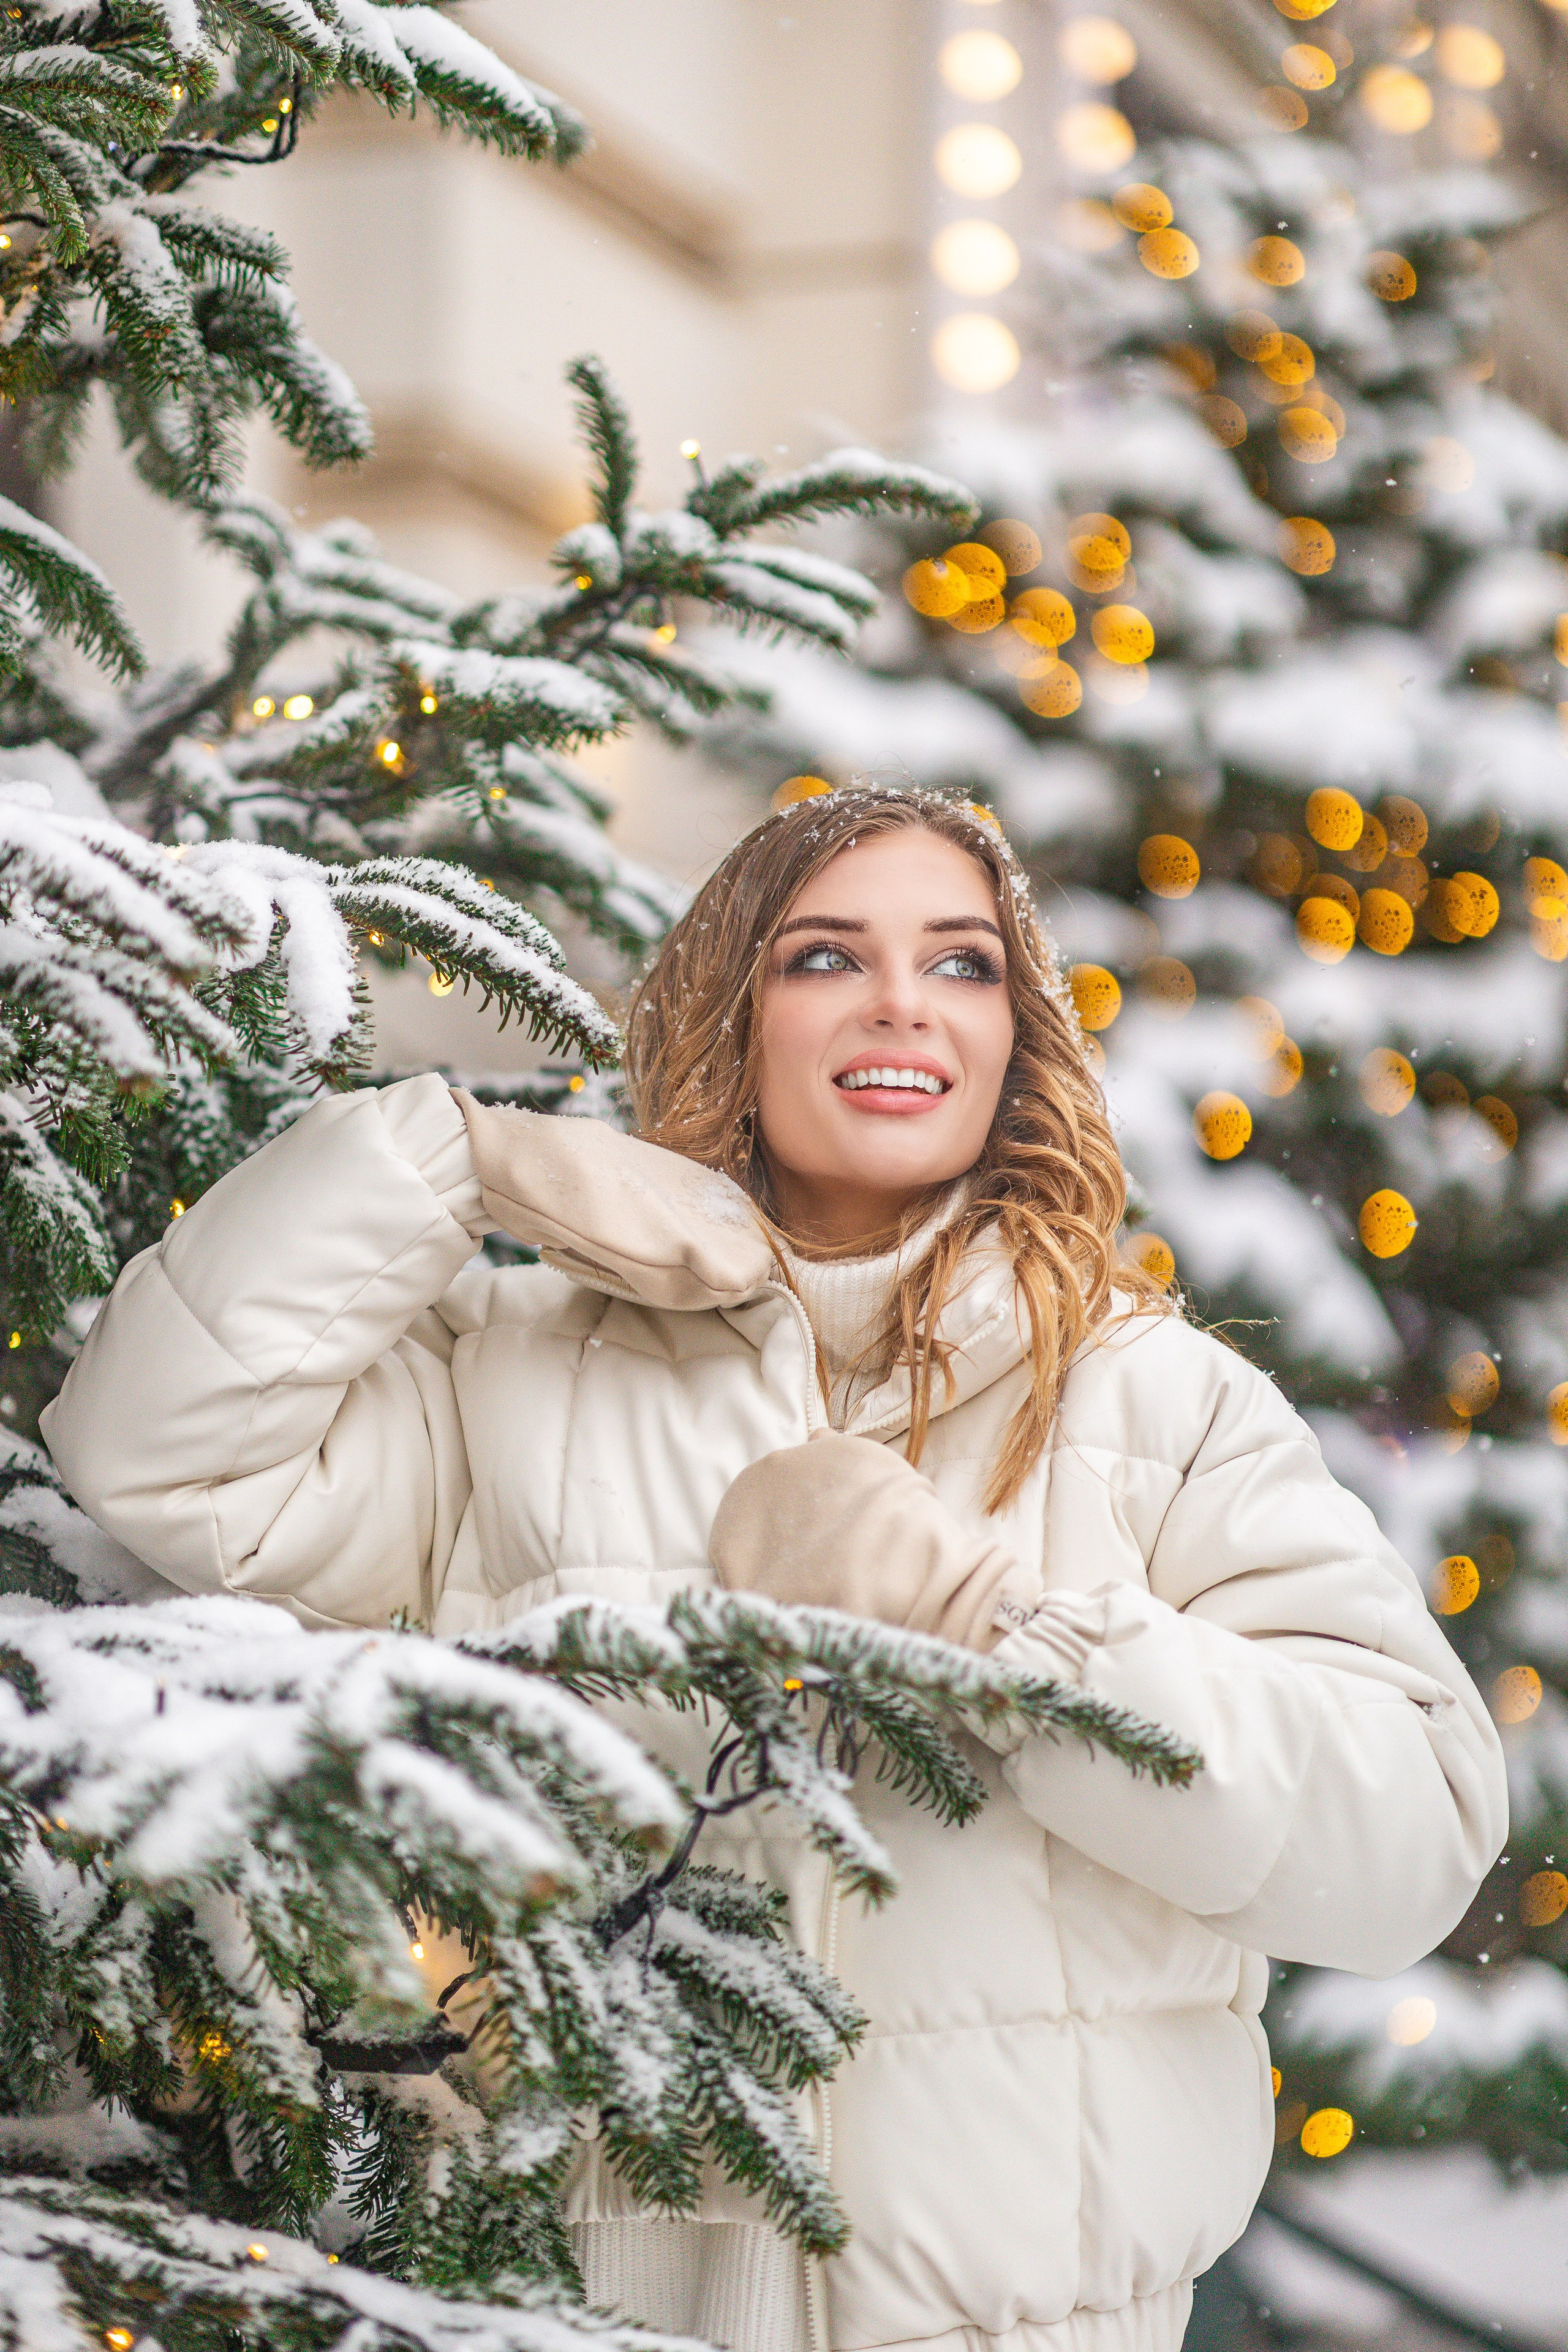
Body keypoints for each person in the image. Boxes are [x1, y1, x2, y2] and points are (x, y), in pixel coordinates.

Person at [43, 785, 1506, 2352]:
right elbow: (152, 1454)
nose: (898, 1001)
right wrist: (442, 1162)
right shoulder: (507, 1369)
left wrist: (997, 1632)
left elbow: (1409, 1833)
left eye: (961, 964)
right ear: (729, 1010)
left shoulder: (1152, 1395)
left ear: (1016, 1038)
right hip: (557, 2315)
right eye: (824, 956)